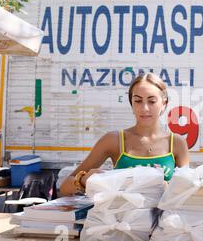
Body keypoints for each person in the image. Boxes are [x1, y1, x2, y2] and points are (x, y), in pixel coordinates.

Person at [60, 73, 189, 196]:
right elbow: (65, 187)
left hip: (163, 218)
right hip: (121, 218)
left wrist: (170, 188)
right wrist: (84, 180)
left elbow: (188, 191)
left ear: (164, 103)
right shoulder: (114, 140)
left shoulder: (176, 143)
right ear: (131, 104)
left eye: (152, 101)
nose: (144, 108)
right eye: (138, 101)